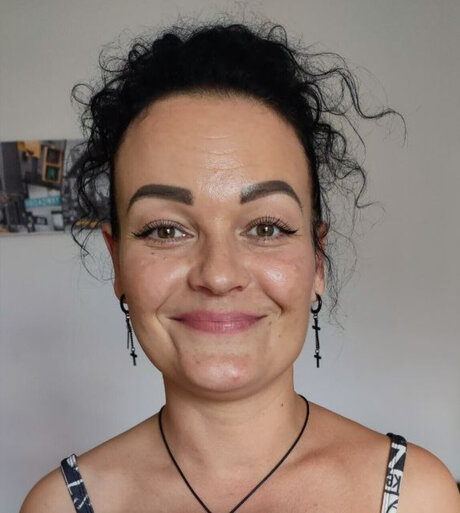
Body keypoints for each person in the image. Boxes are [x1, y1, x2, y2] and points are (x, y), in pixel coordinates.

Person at [20, 19, 460, 513]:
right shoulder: (58, 505)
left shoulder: (416, 495)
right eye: (166, 230)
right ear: (117, 262)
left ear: (317, 261)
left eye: (266, 227)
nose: (218, 275)